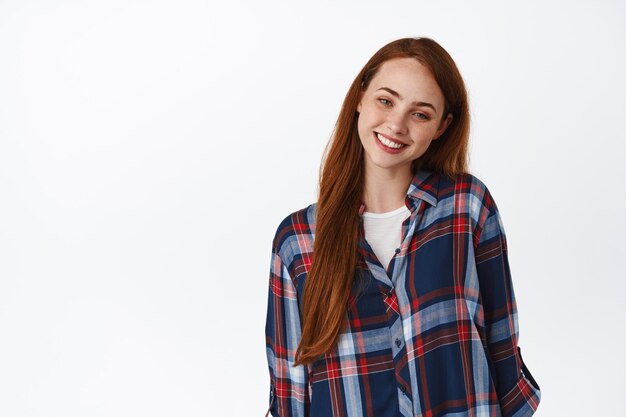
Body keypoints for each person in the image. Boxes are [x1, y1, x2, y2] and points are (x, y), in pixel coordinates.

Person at [264, 37, 541, 417]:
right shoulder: (297, 240)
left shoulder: (466, 207)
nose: (396, 124)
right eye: (385, 100)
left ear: (442, 126)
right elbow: (289, 391)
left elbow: (502, 346)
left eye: (420, 114)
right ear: (360, 98)